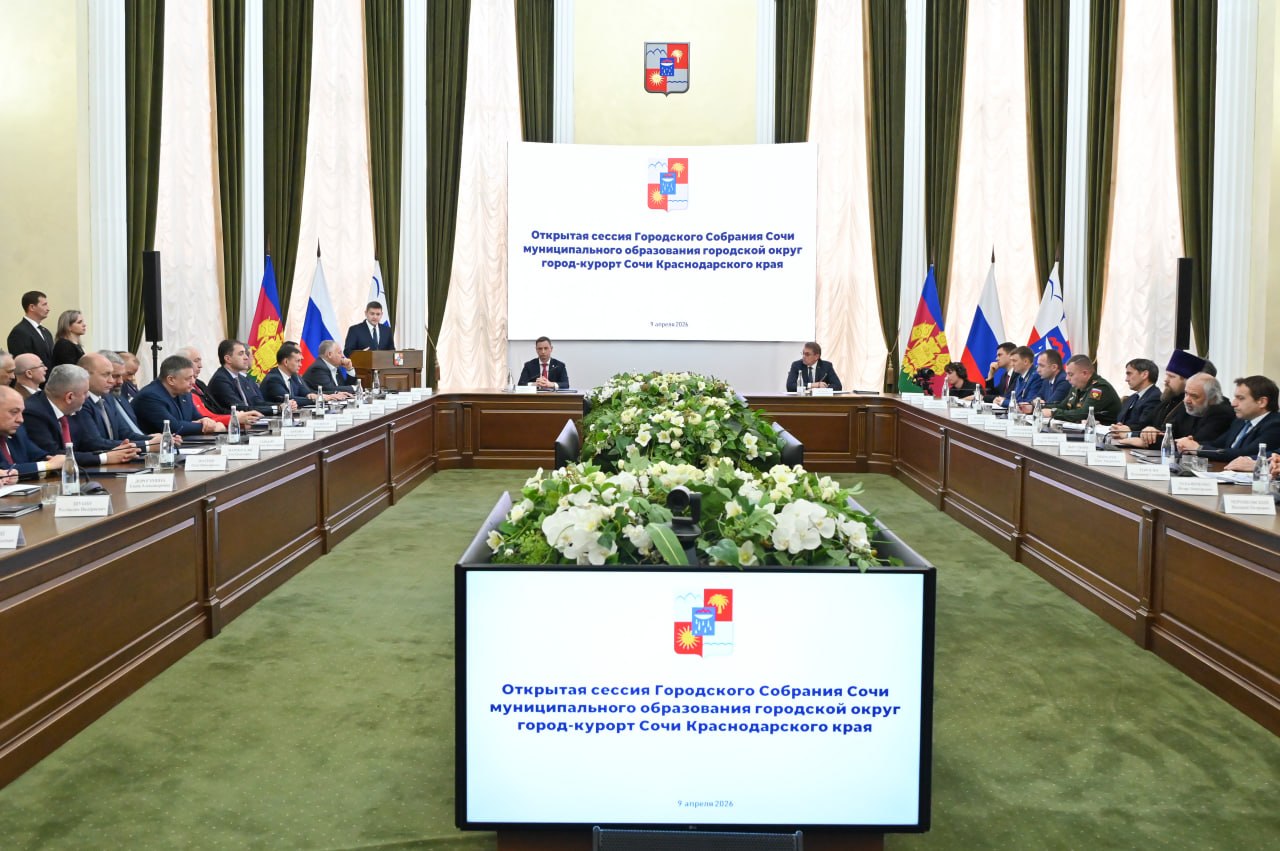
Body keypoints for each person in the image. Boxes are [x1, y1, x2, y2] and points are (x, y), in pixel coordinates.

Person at [23, 364, 141, 468]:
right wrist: (105, 458)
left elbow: (87, 443)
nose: (88, 397)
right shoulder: (34, 413)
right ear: (70, 397)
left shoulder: (72, 408)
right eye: (85, 393)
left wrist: (120, 450)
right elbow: (54, 455)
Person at [1177, 375, 1280, 467]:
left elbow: (1244, 454)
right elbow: (1216, 444)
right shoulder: (1240, 422)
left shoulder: (1275, 425)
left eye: (1240, 398)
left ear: (1262, 402)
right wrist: (1188, 444)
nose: (1233, 403)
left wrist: (1198, 449)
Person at [1115, 372, 1233, 450]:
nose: (1187, 400)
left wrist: (1144, 441)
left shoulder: (1221, 412)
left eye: (1194, 396)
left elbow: (1192, 444)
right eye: (1186, 393)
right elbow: (1169, 434)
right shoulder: (1185, 405)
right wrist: (1148, 433)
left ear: (1212, 398)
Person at [132, 354, 226, 436]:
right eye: (188, 378)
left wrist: (206, 421)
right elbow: (173, 427)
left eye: (193, 377)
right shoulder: (150, 396)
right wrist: (212, 427)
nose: (193, 382)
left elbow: (197, 417)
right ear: (171, 380)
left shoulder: (184, 393)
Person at [175, 346, 263, 428]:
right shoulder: (220, 379)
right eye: (196, 361)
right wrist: (235, 418)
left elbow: (217, 410)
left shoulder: (199, 384)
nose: (200, 365)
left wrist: (237, 417)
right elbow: (204, 418)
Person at [208, 339, 287, 416]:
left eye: (246, 354)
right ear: (228, 359)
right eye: (241, 354)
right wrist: (277, 409)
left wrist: (281, 405)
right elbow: (240, 408)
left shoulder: (241, 378)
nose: (246, 357)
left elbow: (255, 402)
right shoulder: (220, 380)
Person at [0, 385, 62, 481]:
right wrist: (49, 465)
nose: (21, 420)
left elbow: (37, 455)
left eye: (21, 412)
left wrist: (51, 460)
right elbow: (5, 470)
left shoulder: (18, 431)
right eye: (14, 412)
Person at [1043, 354, 1122, 424]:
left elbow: (1084, 414)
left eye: (1070, 374)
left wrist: (1054, 413)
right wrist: (1040, 407)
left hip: (1104, 433)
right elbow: (1063, 406)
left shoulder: (1100, 388)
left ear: (1085, 373)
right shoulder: (1077, 386)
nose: (1067, 378)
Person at [262, 343, 325, 407]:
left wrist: (311, 395)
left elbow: (304, 392)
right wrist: (317, 399)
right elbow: (287, 399)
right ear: (286, 362)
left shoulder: (293, 376)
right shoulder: (273, 379)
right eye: (297, 361)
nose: (300, 365)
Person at [1111, 358, 1162, 434]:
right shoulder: (1132, 398)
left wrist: (1126, 429)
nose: (1126, 379)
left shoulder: (1155, 397)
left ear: (1144, 375)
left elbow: (1143, 425)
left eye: (1129, 374)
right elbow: (1120, 419)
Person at [6, 290, 54, 372]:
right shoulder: (19, 332)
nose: (48, 309)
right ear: (32, 307)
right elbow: (24, 365)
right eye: (44, 305)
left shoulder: (46, 332)